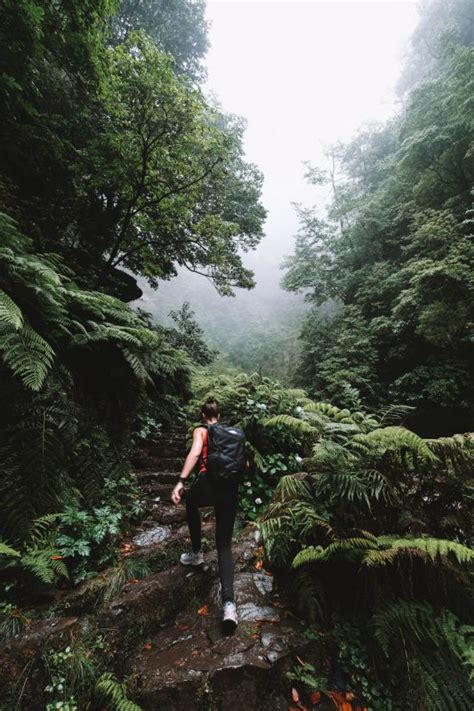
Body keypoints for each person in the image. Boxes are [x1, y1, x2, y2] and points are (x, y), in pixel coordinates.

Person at [170, 397, 241, 632]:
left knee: (190, 503)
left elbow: (195, 454)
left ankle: (197, 553)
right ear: (218, 416)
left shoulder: (201, 430)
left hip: (207, 483)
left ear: (203, 415)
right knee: (224, 545)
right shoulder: (232, 434)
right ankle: (229, 606)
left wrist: (181, 481)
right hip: (230, 488)